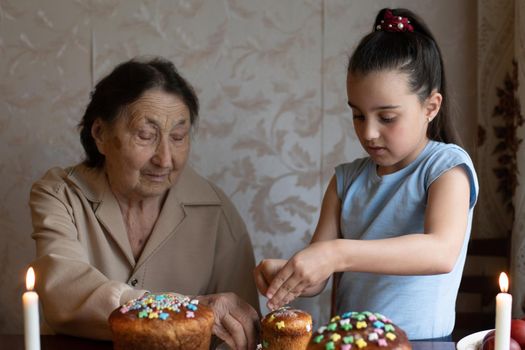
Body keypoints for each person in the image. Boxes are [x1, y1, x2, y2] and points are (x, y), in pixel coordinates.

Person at [254, 8, 478, 341]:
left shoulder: (445, 167)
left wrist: (336, 253)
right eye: (358, 115)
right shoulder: (345, 181)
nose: (369, 133)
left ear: (431, 107)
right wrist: (293, 272)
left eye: (386, 117)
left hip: (421, 344)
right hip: (348, 343)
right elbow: (320, 279)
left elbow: (440, 252)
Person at [30, 56, 260, 349]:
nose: (164, 159)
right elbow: (62, 292)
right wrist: (183, 310)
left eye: (178, 137)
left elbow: (241, 330)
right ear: (100, 134)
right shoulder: (60, 194)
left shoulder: (216, 210)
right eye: (146, 135)